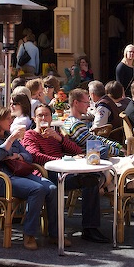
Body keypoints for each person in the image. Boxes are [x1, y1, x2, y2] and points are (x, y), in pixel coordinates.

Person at [22, 104, 110, 243]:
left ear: (51, 118)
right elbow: (35, 155)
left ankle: (90, 229)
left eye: (46, 115)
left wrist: (60, 138)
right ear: (34, 118)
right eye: (40, 115)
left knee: (91, 178)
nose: (43, 118)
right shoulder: (30, 135)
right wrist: (61, 160)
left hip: (65, 170)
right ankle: (55, 234)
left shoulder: (54, 134)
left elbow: (76, 150)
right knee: (62, 185)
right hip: (47, 173)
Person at [0, 106, 61, 250]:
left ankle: (55, 234)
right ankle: (29, 234)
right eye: (8, 118)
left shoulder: (8, 134)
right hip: (2, 180)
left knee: (52, 188)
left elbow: (28, 155)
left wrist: (18, 156)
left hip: (20, 174)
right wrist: (11, 139)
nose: (12, 120)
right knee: (37, 189)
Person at [62, 89, 124, 158]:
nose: (88, 105)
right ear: (76, 103)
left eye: (89, 102)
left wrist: (116, 145)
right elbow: (95, 145)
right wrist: (120, 152)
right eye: (86, 103)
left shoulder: (68, 121)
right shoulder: (76, 125)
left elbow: (94, 139)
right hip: (88, 160)